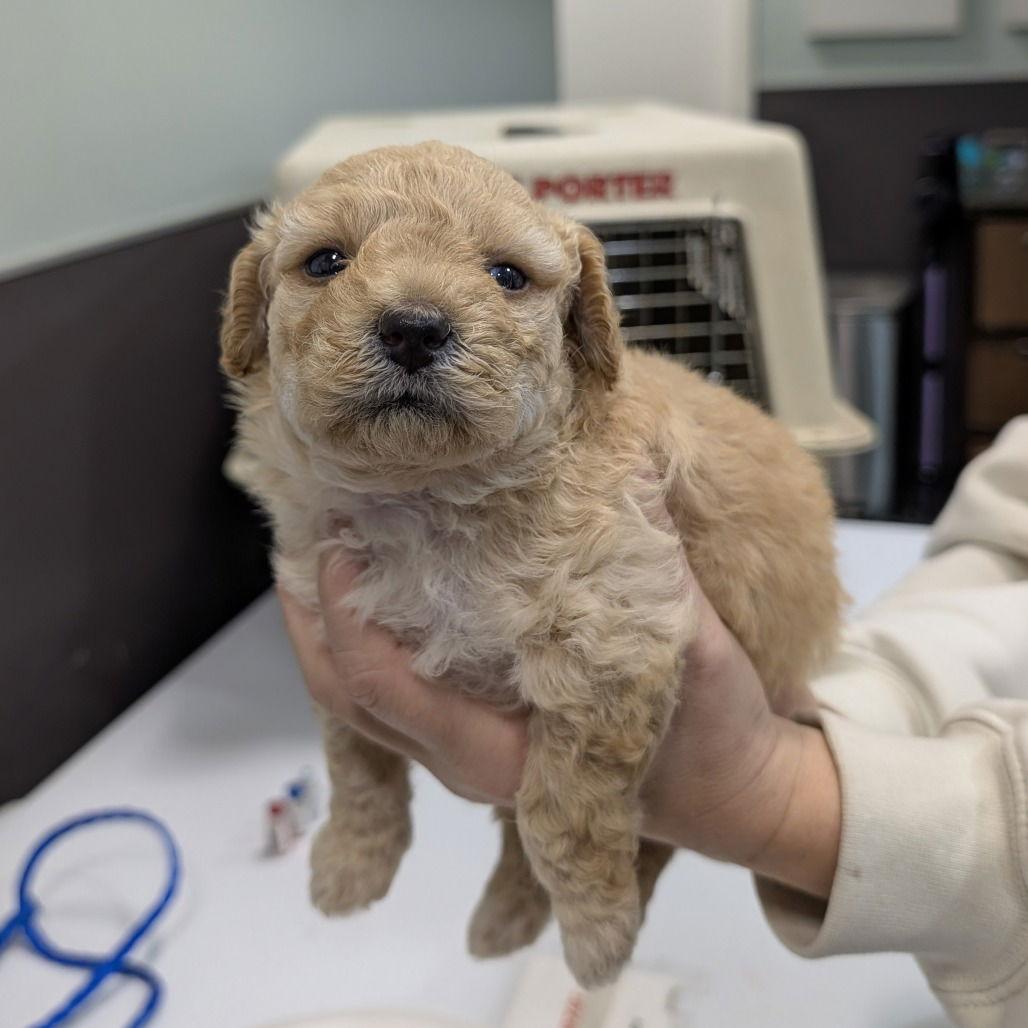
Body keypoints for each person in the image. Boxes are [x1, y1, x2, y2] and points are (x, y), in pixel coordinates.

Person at [280, 416, 1028, 1028]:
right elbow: (1000, 546)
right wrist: (859, 710)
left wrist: (777, 792)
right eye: (327, 263)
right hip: (915, 664)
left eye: (508, 276)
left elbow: (613, 667)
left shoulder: (580, 473)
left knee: (569, 703)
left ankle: (590, 860)